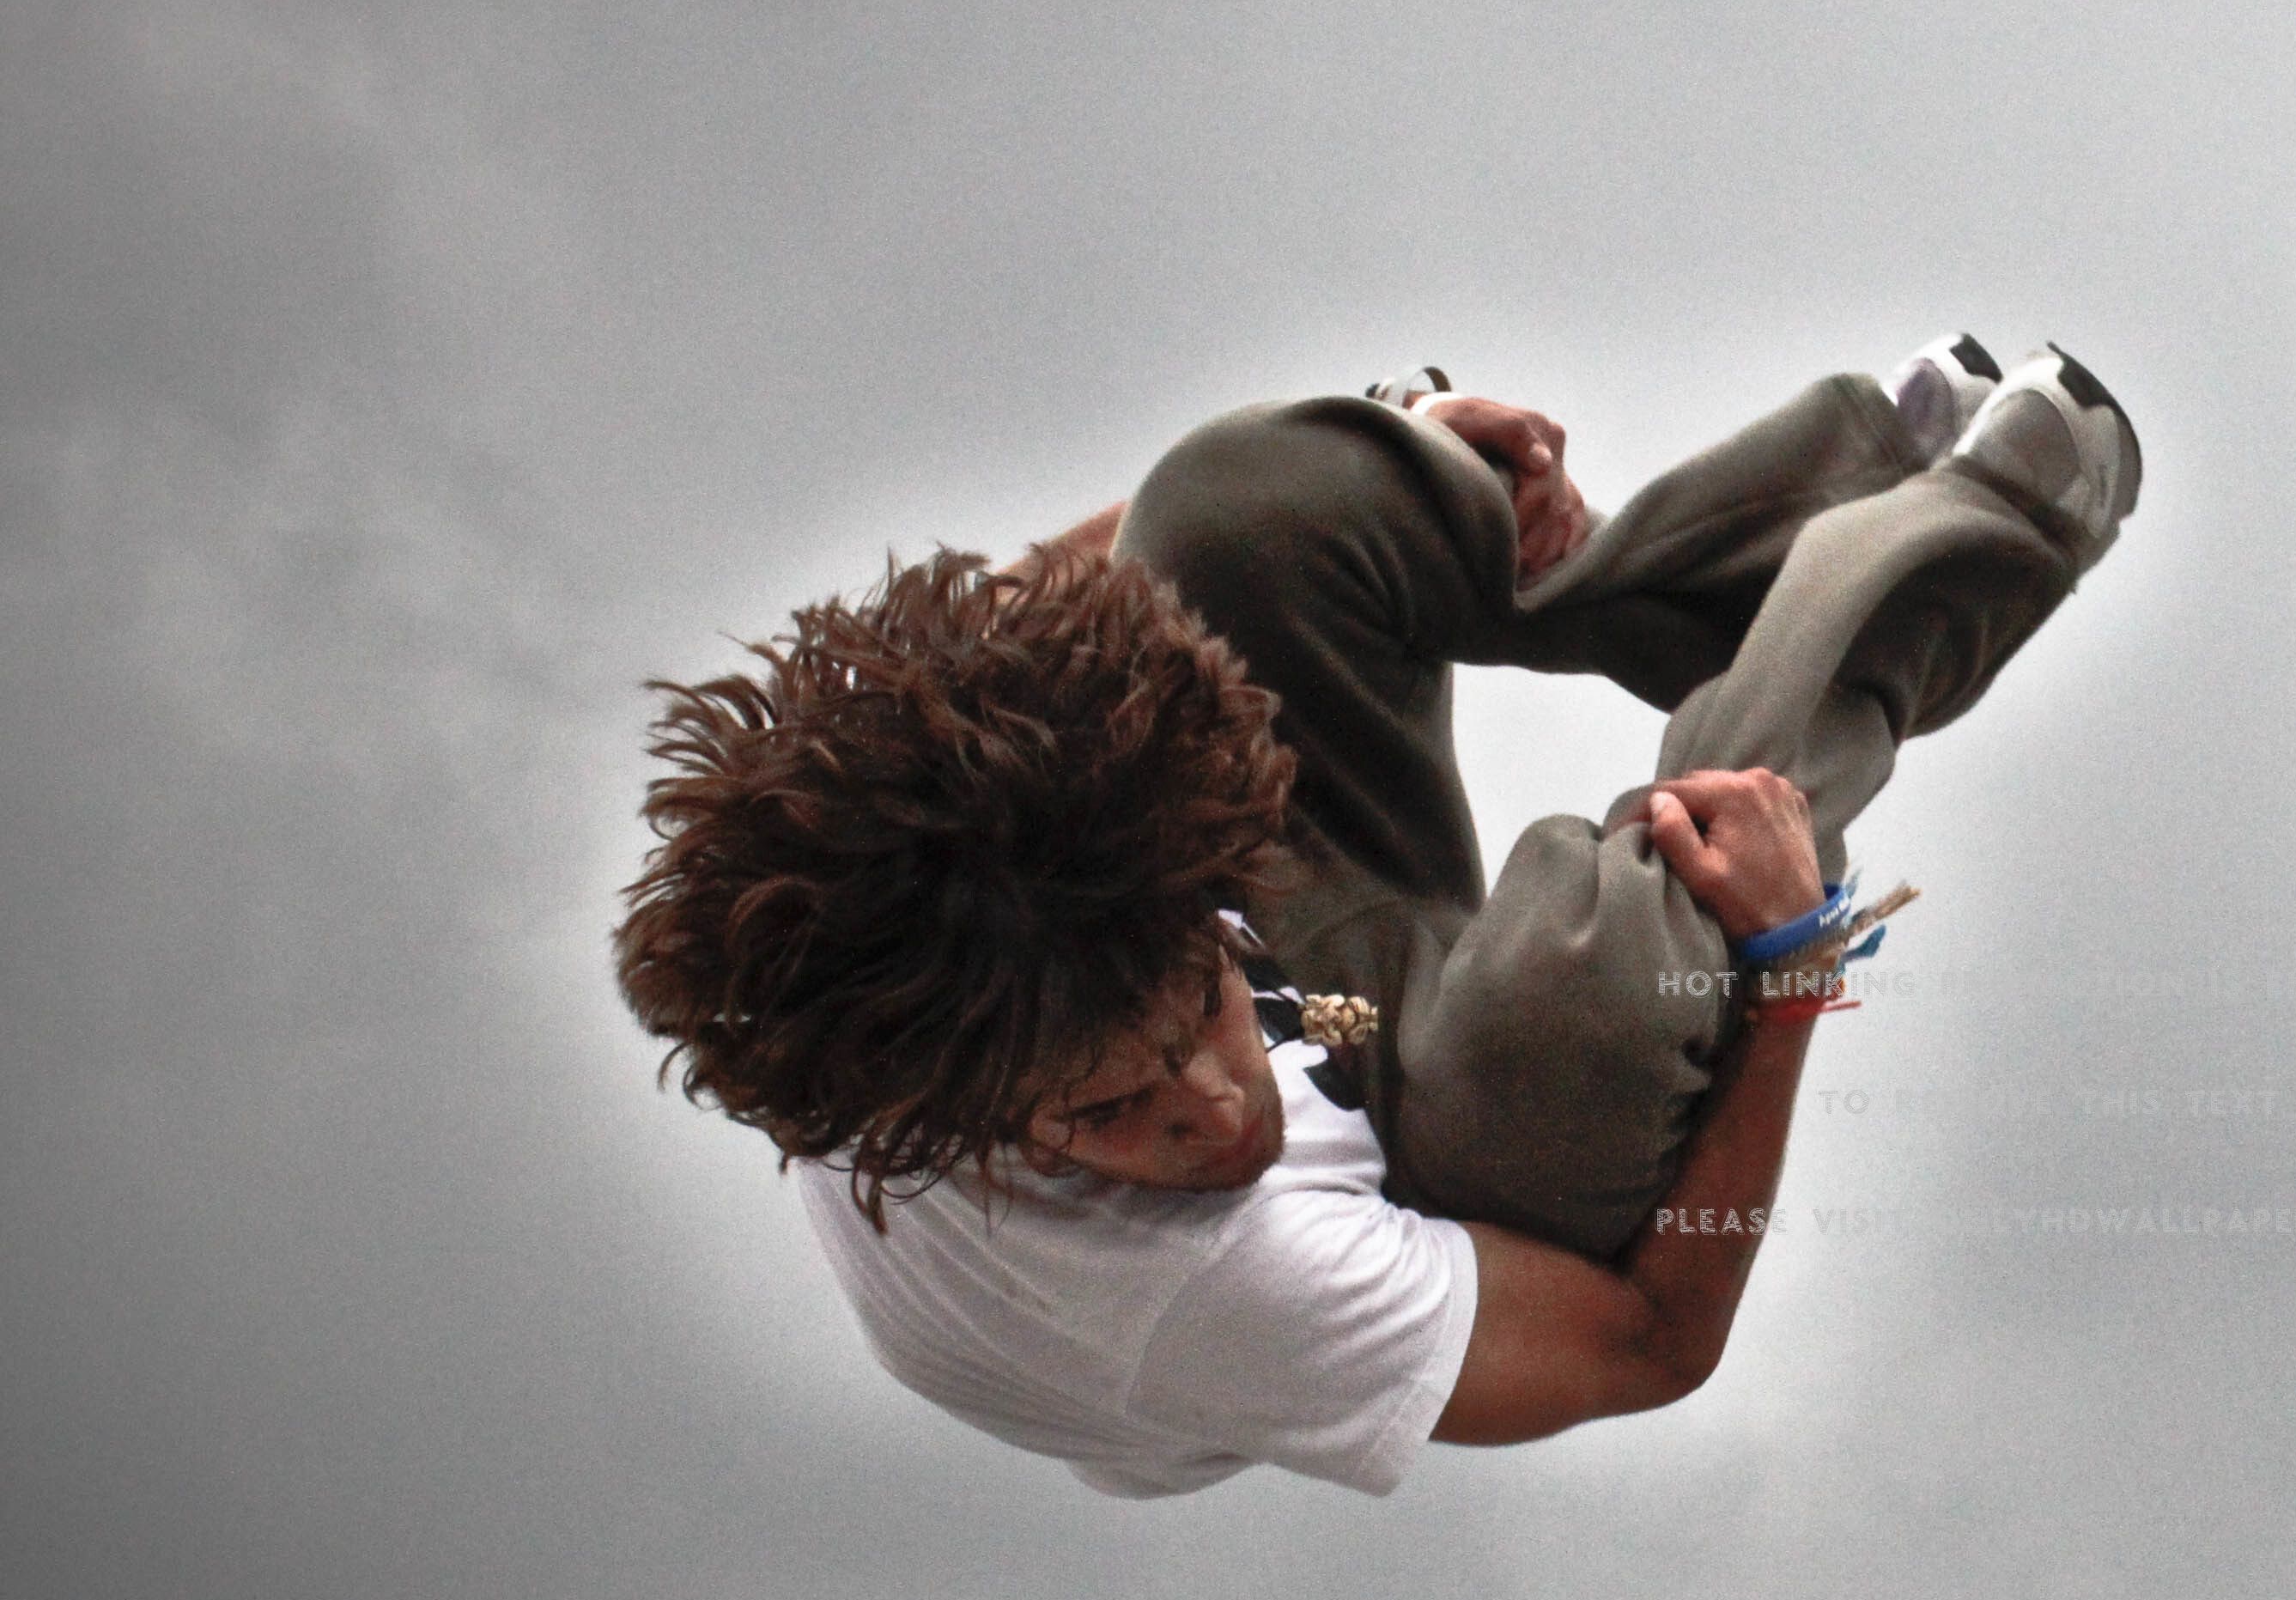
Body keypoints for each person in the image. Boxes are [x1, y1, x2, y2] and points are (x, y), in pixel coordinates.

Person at [614, 339, 2139, 1499]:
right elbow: (1651, 1346)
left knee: (1238, 510)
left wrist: (1391, 462)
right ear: (979, 1134)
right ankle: (1969, 537)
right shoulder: (1219, 1291)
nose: (1212, 1111)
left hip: (1319, 968)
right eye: (1113, 1119)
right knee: (1585, 988)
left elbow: (1016, 629)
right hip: (1437, 1150)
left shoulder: (896, 904)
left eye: (1193, 1024)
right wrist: (1789, 973)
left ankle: (1618, 538)